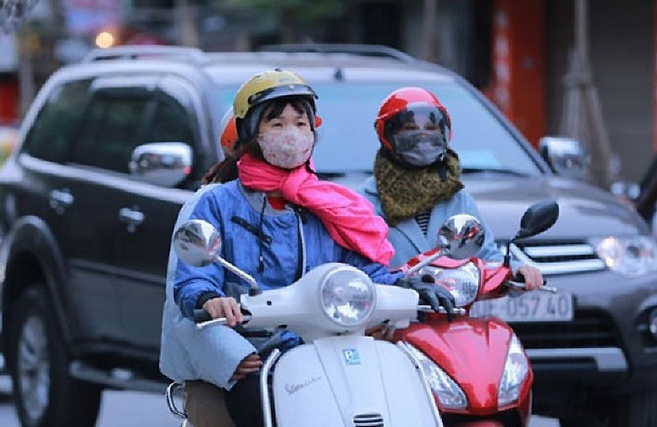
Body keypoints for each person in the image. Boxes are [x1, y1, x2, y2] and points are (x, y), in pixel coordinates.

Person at [159, 71, 455, 427]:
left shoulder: (326, 204)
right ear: (250, 131)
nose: (291, 133)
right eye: (277, 123)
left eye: (300, 123)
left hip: (322, 352)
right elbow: (191, 279)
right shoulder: (216, 203)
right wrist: (210, 300)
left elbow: (359, 271)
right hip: (247, 357)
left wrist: (406, 285)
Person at [359, 86, 544, 289]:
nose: (422, 136)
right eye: (410, 128)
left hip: (453, 306)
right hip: (393, 308)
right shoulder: (363, 202)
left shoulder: (456, 196)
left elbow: (485, 256)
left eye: (431, 128)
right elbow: (354, 270)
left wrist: (516, 270)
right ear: (388, 135)